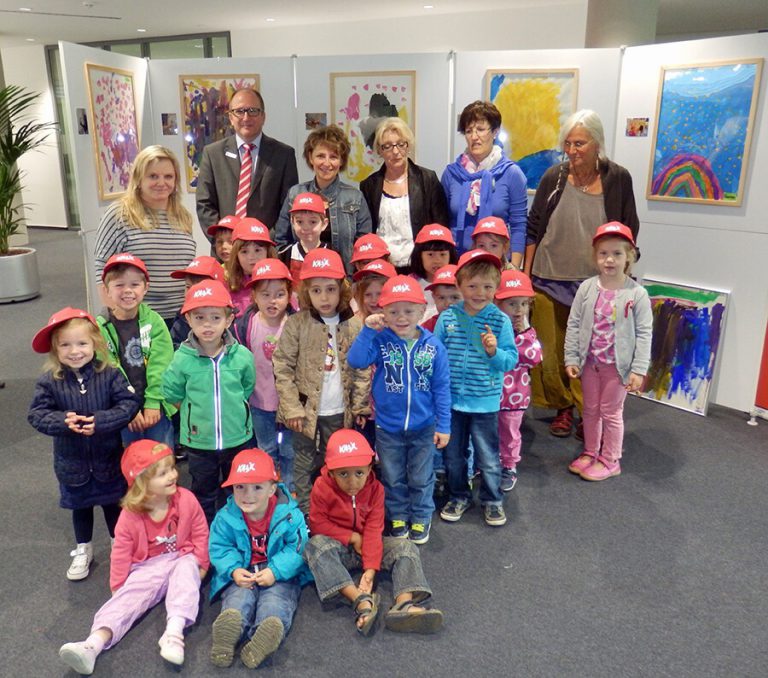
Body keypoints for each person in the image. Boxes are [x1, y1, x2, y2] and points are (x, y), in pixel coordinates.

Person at [525, 109, 640, 440]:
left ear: (597, 143)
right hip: (547, 277)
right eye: (568, 143)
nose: (572, 151)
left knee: (590, 354)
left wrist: (620, 279)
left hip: (594, 285)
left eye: (580, 143)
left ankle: (588, 412)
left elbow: (629, 230)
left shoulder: (618, 179)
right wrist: (526, 278)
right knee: (553, 352)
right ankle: (562, 407)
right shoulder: (554, 177)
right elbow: (534, 227)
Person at [58, 440, 209, 674]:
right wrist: (118, 586)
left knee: (186, 580)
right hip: (148, 566)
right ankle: (93, 644)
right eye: (163, 473)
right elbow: (121, 552)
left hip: (182, 556)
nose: (173, 475)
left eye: (172, 468)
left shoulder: (186, 498)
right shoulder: (130, 515)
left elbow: (200, 531)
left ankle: (174, 633)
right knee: (128, 599)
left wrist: (202, 563)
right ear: (142, 483)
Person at [28, 308, 140, 581]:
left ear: (95, 344)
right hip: (72, 462)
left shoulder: (109, 374)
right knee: (80, 507)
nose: (74, 351)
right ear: (55, 349)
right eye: (65, 345)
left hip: (107, 458)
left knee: (113, 505)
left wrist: (101, 421)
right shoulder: (49, 381)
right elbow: (37, 414)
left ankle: (119, 544)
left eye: (81, 343)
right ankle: (83, 548)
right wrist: (62, 421)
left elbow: (128, 404)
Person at [304, 429, 443, 635]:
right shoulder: (321, 487)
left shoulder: (376, 489)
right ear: (330, 472)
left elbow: (373, 529)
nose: (352, 482)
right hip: (339, 546)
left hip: (370, 545)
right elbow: (318, 524)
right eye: (343, 474)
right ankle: (359, 599)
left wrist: (370, 570)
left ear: (370, 469)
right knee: (314, 546)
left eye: (359, 473)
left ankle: (404, 603)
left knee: (405, 547)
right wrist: (352, 537)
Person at [347, 276, 451, 545]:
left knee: (421, 476)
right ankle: (397, 516)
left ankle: (421, 515)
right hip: (387, 427)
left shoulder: (433, 346)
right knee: (393, 477)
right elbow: (356, 360)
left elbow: (441, 388)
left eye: (408, 311)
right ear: (383, 312)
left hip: (424, 426)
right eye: (393, 312)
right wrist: (368, 331)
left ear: (421, 310)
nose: (401, 318)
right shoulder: (381, 340)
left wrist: (444, 425)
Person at [272, 249, 371, 515]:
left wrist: (360, 406)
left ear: (342, 289)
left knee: (337, 464)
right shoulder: (297, 324)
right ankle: (305, 512)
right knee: (303, 463)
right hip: (304, 412)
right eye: (316, 291)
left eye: (330, 289)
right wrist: (292, 408)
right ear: (306, 292)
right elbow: (282, 366)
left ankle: (333, 512)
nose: (324, 298)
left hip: (339, 411)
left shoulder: (354, 325)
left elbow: (361, 369)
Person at [434, 250, 517, 527]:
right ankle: (459, 496)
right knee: (453, 456)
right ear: (459, 285)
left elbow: (510, 360)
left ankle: (492, 500)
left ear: (496, 288)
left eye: (487, 287)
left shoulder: (500, 321)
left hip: (485, 403)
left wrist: (494, 352)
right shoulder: (447, 318)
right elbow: (435, 356)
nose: (479, 293)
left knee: (488, 457)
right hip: (452, 403)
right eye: (472, 286)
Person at [162, 280, 256, 523]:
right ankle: (206, 532)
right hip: (199, 443)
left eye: (215, 317)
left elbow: (247, 386)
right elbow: (171, 391)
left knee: (237, 488)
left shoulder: (242, 357)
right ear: (188, 319)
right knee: (204, 491)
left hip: (237, 438)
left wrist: (234, 409)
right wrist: (191, 411)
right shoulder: (182, 359)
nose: (207, 324)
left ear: (229, 320)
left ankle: (235, 529)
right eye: (199, 317)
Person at [564, 222, 652, 481]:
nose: (609, 259)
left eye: (617, 253)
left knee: (610, 412)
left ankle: (611, 459)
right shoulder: (587, 288)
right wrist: (571, 357)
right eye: (603, 253)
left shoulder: (637, 294)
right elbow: (574, 323)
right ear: (595, 256)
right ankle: (591, 452)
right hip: (590, 363)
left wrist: (638, 369)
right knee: (590, 409)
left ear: (629, 257)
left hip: (617, 367)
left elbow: (645, 333)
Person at [208, 448, 310, 669]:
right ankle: (228, 634)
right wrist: (234, 570)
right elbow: (220, 547)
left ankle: (262, 640)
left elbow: (298, 548)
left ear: (272, 489)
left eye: (257, 487)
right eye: (240, 487)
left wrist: (276, 570)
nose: (248, 495)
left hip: (279, 571)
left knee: (276, 600)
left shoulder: (290, 515)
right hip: (243, 570)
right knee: (237, 598)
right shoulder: (225, 517)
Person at [94, 145, 196, 324]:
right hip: (138, 318)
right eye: (153, 176)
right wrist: (119, 320)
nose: (161, 183)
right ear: (139, 179)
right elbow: (102, 269)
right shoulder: (119, 215)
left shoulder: (183, 216)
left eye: (168, 176)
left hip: (182, 317)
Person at [96, 253, 175, 449]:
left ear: (145, 288)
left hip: (155, 405)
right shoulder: (99, 328)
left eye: (134, 284)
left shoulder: (155, 322)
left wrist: (153, 402)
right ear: (106, 290)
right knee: (129, 458)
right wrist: (128, 407)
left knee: (160, 456)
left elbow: (162, 365)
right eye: (119, 285)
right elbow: (109, 370)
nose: (127, 291)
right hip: (121, 407)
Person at [196, 88, 299, 236]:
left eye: (253, 111)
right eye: (239, 111)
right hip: (225, 246)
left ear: (263, 116)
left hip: (268, 246)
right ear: (230, 117)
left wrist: (265, 242)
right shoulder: (213, 154)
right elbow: (204, 204)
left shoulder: (283, 155)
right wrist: (223, 240)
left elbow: (288, 206)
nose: (246, 117)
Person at [232, 259, 296, 490]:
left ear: (289, 296)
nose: (272, 300)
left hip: (290, 404)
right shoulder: (245, 326)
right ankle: (268, 489)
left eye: (279, 294)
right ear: (254, 297)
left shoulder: (295, 324)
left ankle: (289, 490)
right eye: (265, 294)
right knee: (266, 448)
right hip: (259, 401)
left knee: (289, 450)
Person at [274, 126, 372, 275]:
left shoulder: (355, 197)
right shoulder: (295, 194)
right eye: (320, 156)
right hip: (301, 279)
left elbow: (364, 248)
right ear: (310, 157)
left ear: (341, 160)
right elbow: (281, 242)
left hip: (344, 280)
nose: (327, 163)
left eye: (333, 157)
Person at [441, 101, 527, 262]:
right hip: (457, 260)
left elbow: (519, 225)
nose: (474, 137)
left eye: (480, 129)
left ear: (495, 132)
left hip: (496, 263)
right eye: (468, 131)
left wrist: (514, 268)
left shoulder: (511, 173)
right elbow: (443, 222)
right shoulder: (451, 174)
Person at [359, 118, 448, 271]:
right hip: (382, 267)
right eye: (388, 146)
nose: (395, 152)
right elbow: (367, 232)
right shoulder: (369, 185)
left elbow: (440, 226)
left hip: (419, 266)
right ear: (380, 150)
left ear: (408, 146)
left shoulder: (427, 179)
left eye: (401, 144)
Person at [494, 269, 543, 491]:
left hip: (515, 396)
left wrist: (523, 334)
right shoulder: (491, 329)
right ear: (497, 303)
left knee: (510, 433)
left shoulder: (527, 333)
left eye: (524, 304)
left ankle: (509, 465)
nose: (519, 310)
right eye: (512, 304)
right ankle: (488, 462)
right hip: (490, 395)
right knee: (488, 432)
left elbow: (534, 357)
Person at [169, 255, 227, 350]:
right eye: (188, 287)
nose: (190, 293)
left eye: (199, 288)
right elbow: (173, 348)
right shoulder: (181, 320)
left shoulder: (231, 321)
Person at [226, 217, 278, 318]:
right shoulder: (229, 288)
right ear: (236, 256)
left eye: (257, 250)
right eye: (244, 251)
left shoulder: (280, 284)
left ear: (268, 252)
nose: (251, 257)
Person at [408, 224, 459, 322]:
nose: (437, 260)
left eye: (443, 254)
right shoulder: (410, 283)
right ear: (419, 255)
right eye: (430, 254)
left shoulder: (460, 281)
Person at [278, 192, 330, 285]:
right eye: (300, 222)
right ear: (292, 222)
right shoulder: (285, 254)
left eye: (312, 222)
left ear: (324, 224)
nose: (306, 227)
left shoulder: (332, 254)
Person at [422, 264, 461, 332]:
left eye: (455, 297)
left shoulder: (476, 324)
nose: (447, 304)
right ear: (434, 297)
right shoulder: (427, 328)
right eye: (441, 298)